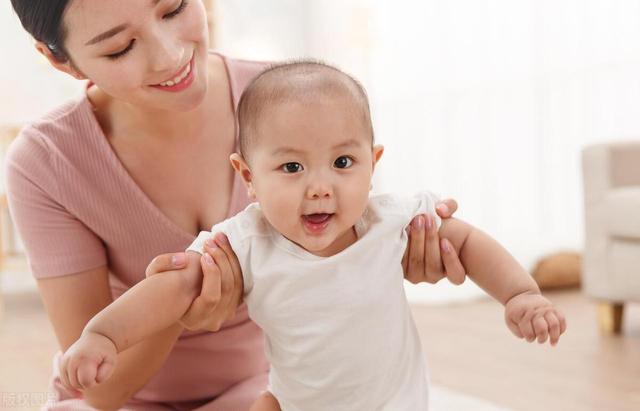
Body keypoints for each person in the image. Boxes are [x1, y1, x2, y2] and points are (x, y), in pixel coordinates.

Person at [4, 0, 465, 409]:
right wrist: (177, 307)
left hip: (269, 389)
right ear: (61, 60)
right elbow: (99, 391)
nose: (170, 56)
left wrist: (396, 255)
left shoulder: (288, 99)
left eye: (173, 7)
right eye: (120, 47)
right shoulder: (47, 161)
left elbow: (354, 228)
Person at [59, 61, 566, 411]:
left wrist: (520, 293)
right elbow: (172, 287)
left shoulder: (389, 221)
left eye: (343, 162)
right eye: (292, 167)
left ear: (373, 164)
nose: (320, 187)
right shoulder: (247, 242)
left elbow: (469, 242)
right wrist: (103, 335)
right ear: (248, 176)